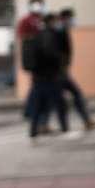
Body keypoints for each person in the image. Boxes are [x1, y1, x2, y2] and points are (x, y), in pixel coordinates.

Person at [55, 8, 95, 131]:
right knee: (72, 94)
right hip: (59, 72)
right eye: (71, 18)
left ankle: (81, 122)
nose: (73, 21)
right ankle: (85, 121)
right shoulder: (59, 32)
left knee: (58, 98)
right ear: (65, 18)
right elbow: (57, 52)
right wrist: (61, 68)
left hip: (60, 71)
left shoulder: (61, 30)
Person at [28, 13, 70, 142]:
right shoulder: (50, 35)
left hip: (37, 76)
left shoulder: (37, 35)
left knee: (38, 104)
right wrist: (59, 67)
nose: (57, 23)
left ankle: (33, 131)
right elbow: (51, 54)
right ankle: (64, 128)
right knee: (60, 103)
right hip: (51, 75)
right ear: (51, 22)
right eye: (55, 21)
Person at [17, 0, 51, 131]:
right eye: (37, 4)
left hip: (47, 62)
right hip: (36, 62)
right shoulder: (26, 20)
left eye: (41, 4)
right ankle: (39, 121)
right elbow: (23, 37)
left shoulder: (44, 20)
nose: (39, 7)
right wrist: (37, 38)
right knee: (41, 91)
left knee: (40, 90)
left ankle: (35, 118)